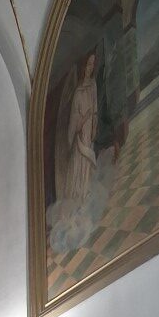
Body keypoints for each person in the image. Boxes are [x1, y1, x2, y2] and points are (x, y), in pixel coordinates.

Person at [66, 51, 98, 203]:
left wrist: (94, 126)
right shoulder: (78, 92)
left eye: (93, 64)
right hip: (81, 133)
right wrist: (85, 117)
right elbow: (75, 119)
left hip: (89, 129)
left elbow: (95, 108)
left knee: (88, 160)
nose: (90, 67)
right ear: (83, 66)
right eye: (88, 64)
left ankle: (86, 192)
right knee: (81, 159)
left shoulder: (93, 85)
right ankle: (79, 194)